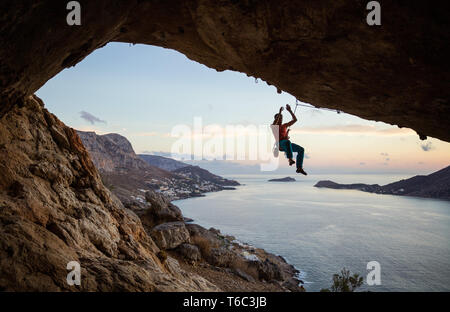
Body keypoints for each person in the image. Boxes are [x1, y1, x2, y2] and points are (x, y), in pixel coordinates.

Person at [272, 104, 307, 175]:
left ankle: (299, 168)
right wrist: (280, 112)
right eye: (278, 118)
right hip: (280, 144)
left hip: (286, 143)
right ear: (275, 119)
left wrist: (290, 110)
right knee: (287, 142)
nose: (280, 119)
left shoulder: (284, 125)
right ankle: (290, 159)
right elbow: (276, 122)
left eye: (281, 118)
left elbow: (295, 120)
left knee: (301, 149)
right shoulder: (273, 126)